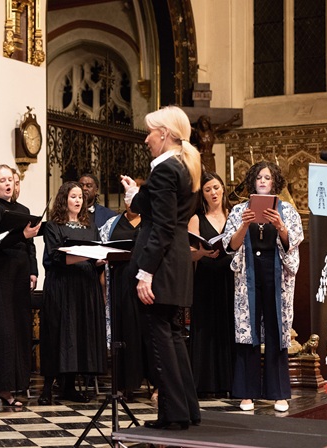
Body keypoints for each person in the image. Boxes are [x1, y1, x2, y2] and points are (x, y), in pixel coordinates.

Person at [122, 105, 201, 429]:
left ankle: (173, 416)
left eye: (151, 132)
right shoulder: (182, 167)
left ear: (165, 134)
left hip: (162, 265)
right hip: (176, 262)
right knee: (173, 336)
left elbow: (163, 227)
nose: (146, 139)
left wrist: (146, 273)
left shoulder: (167, 169)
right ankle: (187, 410)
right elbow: (149, 207)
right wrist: (134, 193)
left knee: (160, 340)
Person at [223, 161, 303, 413]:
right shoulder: (238, 211)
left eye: (267, 177)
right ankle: (247, 393)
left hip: (275, 273)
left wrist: (280, 226)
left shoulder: (287, 210)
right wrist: (244, 225)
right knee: (249, 333)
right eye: (258, 177)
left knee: (276, 330)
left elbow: (293, 242)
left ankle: (278, 392)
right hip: (249, 273)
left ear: (275, 182)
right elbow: (230, 246)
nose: (262, 180)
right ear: (252, 181)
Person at [0, 165, 40, 409]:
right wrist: (22, 235)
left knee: (15, 332)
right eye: (2, 180)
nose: (7, 184)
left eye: (10, 180)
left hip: (19, 274)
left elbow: (30, 244)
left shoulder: (23, 210)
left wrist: (33, 270)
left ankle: (6, 387)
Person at [39, 181, 107, 405]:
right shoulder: (52, 226)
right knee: (57, 333)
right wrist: (87, 254)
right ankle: (48, 388)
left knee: (79, 334)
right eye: (73, 196)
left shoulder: (91, 227)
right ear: (64, 200)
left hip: (85, 287)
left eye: (80, 197)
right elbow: (55, 258)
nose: (78, 200)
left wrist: (99, 260)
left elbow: (96, 259)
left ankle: (70, 387)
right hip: (61, 286)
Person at [188, 172, 235, 397]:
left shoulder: (234, 214)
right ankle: (205, 383)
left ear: (223, 188)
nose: (213, 193)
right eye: (207, 190)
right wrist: (202, 252)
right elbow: (189, 254)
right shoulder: (197, 218)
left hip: (230, 277)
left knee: (229, 327)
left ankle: (230, 382)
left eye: (216, 188)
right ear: (202, 195)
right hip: (206, 277)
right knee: (206, 328)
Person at [99, 188, 145, 397]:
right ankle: (121, 383)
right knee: (122, 331)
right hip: (118, 283)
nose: (129, 201)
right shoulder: (112, 224)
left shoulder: (150, 221)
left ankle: (151, 383)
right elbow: (101, 248)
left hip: (144, 282)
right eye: (125, 197)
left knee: (143, 333)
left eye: (133, 196)